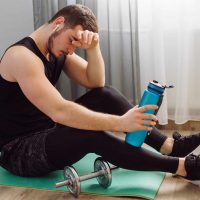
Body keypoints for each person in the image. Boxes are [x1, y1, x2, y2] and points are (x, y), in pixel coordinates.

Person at [0, 4, 200, 185]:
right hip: (19, 151)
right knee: (89, 133)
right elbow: (59, 111)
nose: (71, 50)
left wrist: (93, 48)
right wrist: (120, 123)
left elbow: (96, 83)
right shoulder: (22, 57)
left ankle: (169, 145)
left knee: (106, 95)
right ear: (58, 23)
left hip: (48, 132)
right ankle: (182, 167)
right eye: (71, 40)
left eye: (76, 45)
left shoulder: (55, 48)